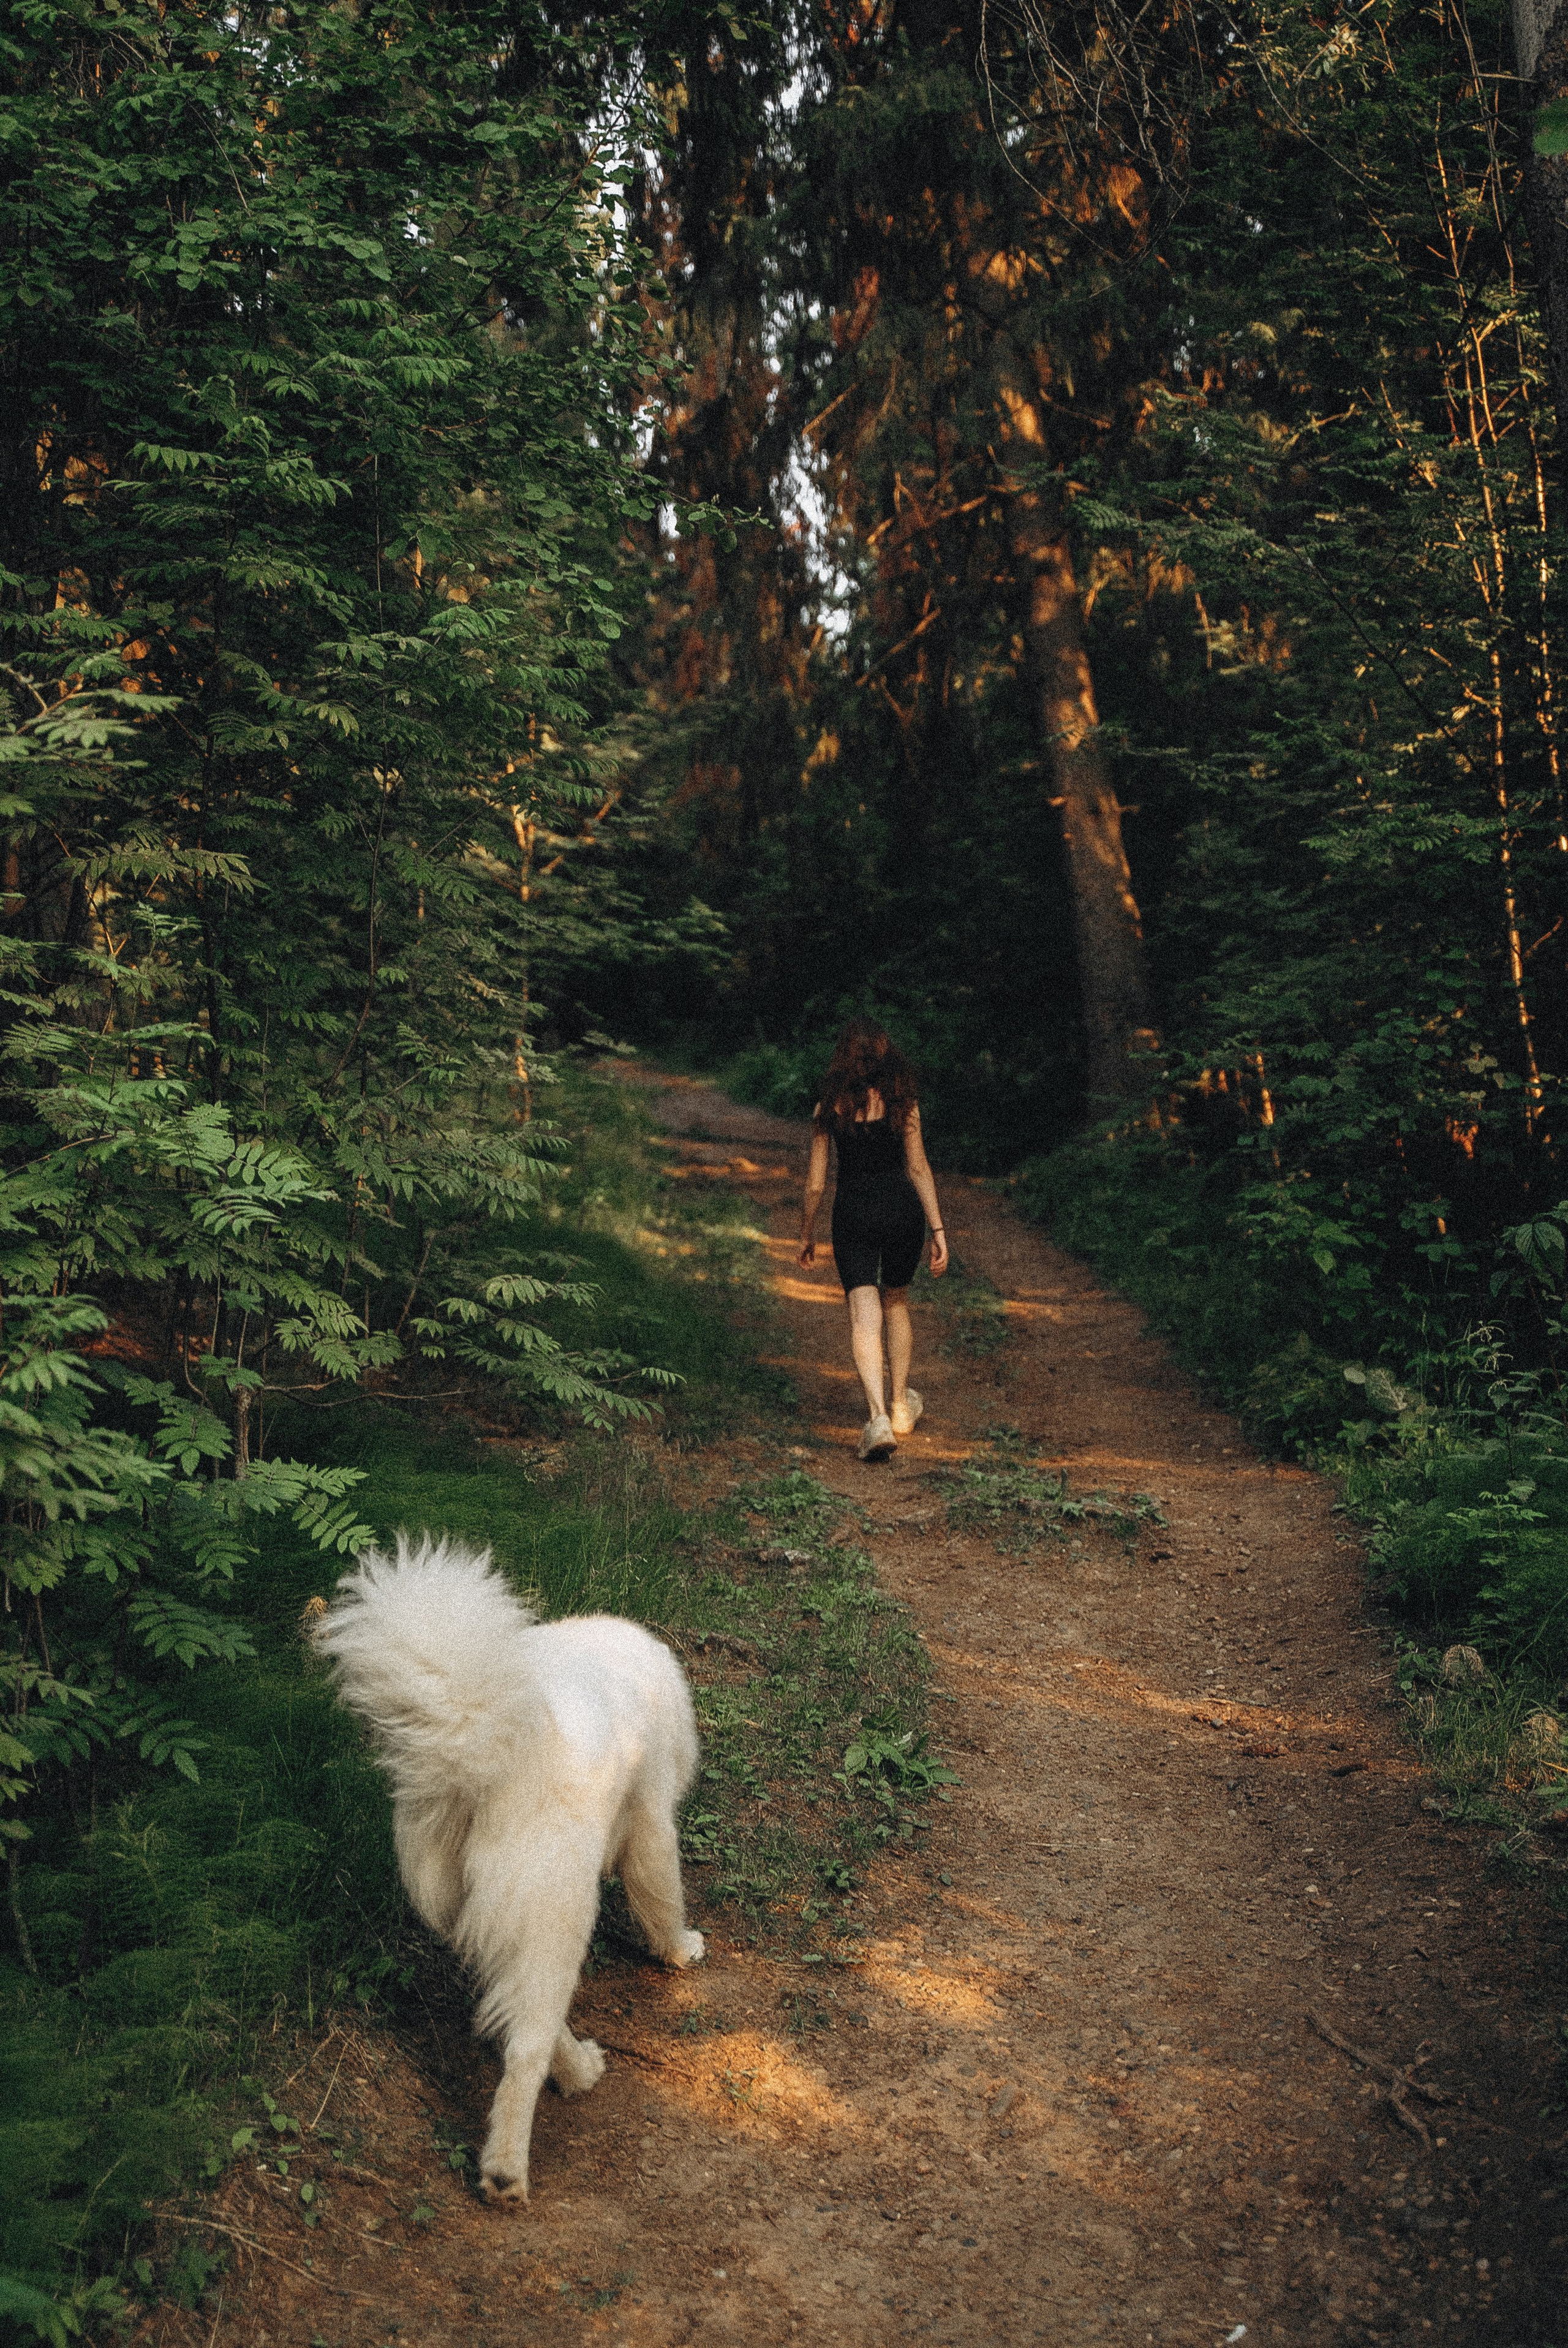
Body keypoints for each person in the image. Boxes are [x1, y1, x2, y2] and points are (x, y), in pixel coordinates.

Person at [797, 1020, 949, 1460]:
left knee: (864, 1315)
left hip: (854, 1214)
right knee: (896, 1301)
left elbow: (814, 1184)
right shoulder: (905, 1103)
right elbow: (919, 1168)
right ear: (887, 1055)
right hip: (903, 1210)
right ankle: (902, 1405)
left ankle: (878, 1417)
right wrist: (938, 1230)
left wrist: (806, 1232)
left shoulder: (829, 1107)